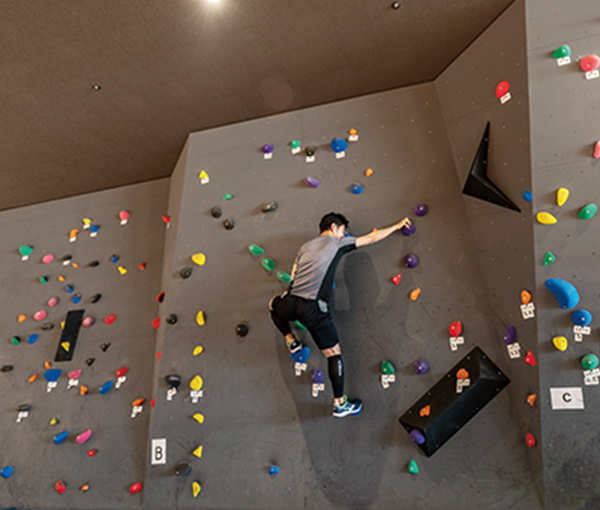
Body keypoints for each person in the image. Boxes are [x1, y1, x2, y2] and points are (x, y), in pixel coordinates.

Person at [269, 212, 412, 418]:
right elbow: (370, 238)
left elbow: (293, 276)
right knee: (333, 353)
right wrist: (397, 225)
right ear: (335, 227)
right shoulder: (337, 243)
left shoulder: (304, 247)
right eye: (344, 231)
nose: (344, 235)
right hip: (313, 309)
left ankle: (291, 340)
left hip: (291, 302)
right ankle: (339, 404)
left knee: (272, 306)